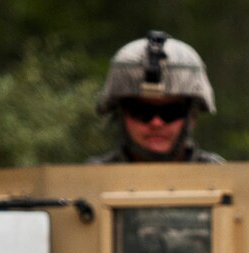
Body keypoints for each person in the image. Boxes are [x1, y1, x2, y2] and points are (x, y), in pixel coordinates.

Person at [89, 31, 224, 164]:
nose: (156, 123)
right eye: (142, 111)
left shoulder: (223, 178)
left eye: (171, 112)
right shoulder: (90, 180)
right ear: (121, 115)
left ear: (192, 117)